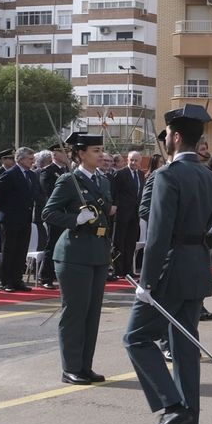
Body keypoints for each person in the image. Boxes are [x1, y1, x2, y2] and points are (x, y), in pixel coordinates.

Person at [123, 105, 212, 424]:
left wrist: (145, 282)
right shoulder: (211, 177)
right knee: (185, 346)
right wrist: (204, 244)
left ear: (174, 137)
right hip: (196, 266)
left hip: (169, 269)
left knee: (137, 338)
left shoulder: (166, 176)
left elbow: (158, 235)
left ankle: (173, 408)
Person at [40, 132, 113, 384]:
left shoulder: (103, 181)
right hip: (74, 254)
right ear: (81, 154)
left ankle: (85, 366)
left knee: (92, 314)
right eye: (95, 150)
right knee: (75, 313)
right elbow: (48, 213)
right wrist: (74, 220)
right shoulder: (69, 180)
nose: (101, 154)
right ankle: (71, 367)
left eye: (101, 150)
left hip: (98, 252)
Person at [0, 148, 37, 292]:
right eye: (30, 159)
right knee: (9, 250)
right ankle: (7, 281)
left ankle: (18, 279)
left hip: (25, 218)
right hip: (10, 219)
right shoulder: (9, 174)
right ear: (21, 159)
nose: (32, 161)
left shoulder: (31, 175)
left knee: (21, 250)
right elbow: (0, 196)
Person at [36, 144, 69, 288]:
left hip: (68, 214)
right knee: (53, 244)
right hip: (55, 214)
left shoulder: (67, 171)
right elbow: (48, 193)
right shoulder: (48, 171)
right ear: (55, 155)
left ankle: (60, 273)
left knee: (65, 245)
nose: (67, 154)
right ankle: (46, 277)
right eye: (63, 152)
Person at [111, 150, 146, 279]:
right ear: (127, 160)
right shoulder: (120, 174)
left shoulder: (141, 174)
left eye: (136, 160)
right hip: (122, 213)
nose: (134, 162)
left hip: (135, 214)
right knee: (119, 242)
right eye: (131, 160)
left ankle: (128, 270)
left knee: (131, 242)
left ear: (140, 161)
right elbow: (114, 193)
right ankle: (118, 270)